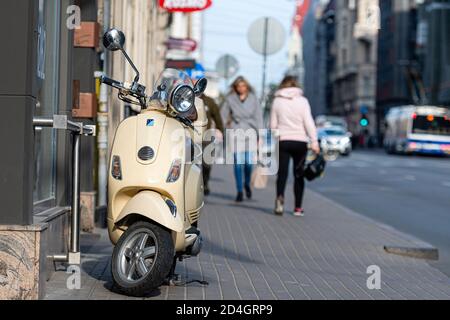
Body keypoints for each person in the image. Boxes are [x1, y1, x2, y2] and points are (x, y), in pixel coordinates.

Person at [270, 76, 320, 217]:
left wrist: (278, 134)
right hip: (300, 142)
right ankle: (298, 208)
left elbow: (273, 125)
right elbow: (308, 122)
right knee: (299, 175)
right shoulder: (303, 101)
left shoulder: (277, 101)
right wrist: (314, 141)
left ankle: (280, 200)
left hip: (284, 141)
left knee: (282, 174)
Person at [221, 76, 263, 203]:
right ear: (235, 87)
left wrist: (260, 135)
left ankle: (247, 184)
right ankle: (239, 190)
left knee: (248, 164)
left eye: (243, 86)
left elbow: (259, 117)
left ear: (247, 87)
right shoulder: (230, 99)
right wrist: (225, 127)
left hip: (250, 132)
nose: (241, 88)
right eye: (239, 86)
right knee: (238, 163)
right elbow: (222, 114)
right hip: (236, 131)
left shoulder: (254, 99)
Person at [200, 93, 224, 196]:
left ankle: (205, 183)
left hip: (206, 136)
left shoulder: (209, 101)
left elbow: (217, 116)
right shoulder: (186, 98)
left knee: (207, 163)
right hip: (189, 136)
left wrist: (220, 129)